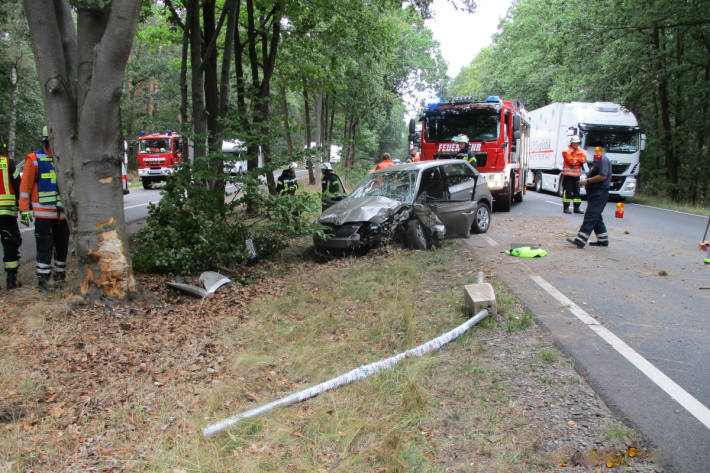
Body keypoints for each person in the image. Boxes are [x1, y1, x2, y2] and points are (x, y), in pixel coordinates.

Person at [19, 126, 70, 291]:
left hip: (62, 216)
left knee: (62, 247)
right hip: (43, 216)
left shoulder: (65, 159)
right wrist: (24, 210)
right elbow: (25, 188)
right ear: (47, 141)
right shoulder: (34, 159)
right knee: (44, 248)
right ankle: (43, 280)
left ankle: (60, 276)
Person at [567, 146, 611, 248]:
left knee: (590, 216)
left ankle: (580, 240)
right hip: (595, 192)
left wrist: (587, 181)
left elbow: (602, 176)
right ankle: (603, 240)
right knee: (596, 217)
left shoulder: (603, 160)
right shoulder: (598, 161)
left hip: (599, 192)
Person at [0, 140, 22, 289]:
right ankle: (11, 280)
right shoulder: (8, 163)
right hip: (6, 212)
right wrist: (23, 207)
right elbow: (18, 185)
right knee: (10, 245)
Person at [561, 135, 587, 214]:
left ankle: (577, 208)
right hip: (568, 176)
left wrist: (576, 160)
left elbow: (585, 159)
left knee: (577, 192)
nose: (576, 144)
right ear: (571, 143)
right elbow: (571, 162)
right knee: (567, 192)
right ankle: (566, 208)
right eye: (574, 143)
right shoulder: (566, 151)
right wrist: (579, 160)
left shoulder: (581, 151)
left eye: (577, 143)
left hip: (577, 176)